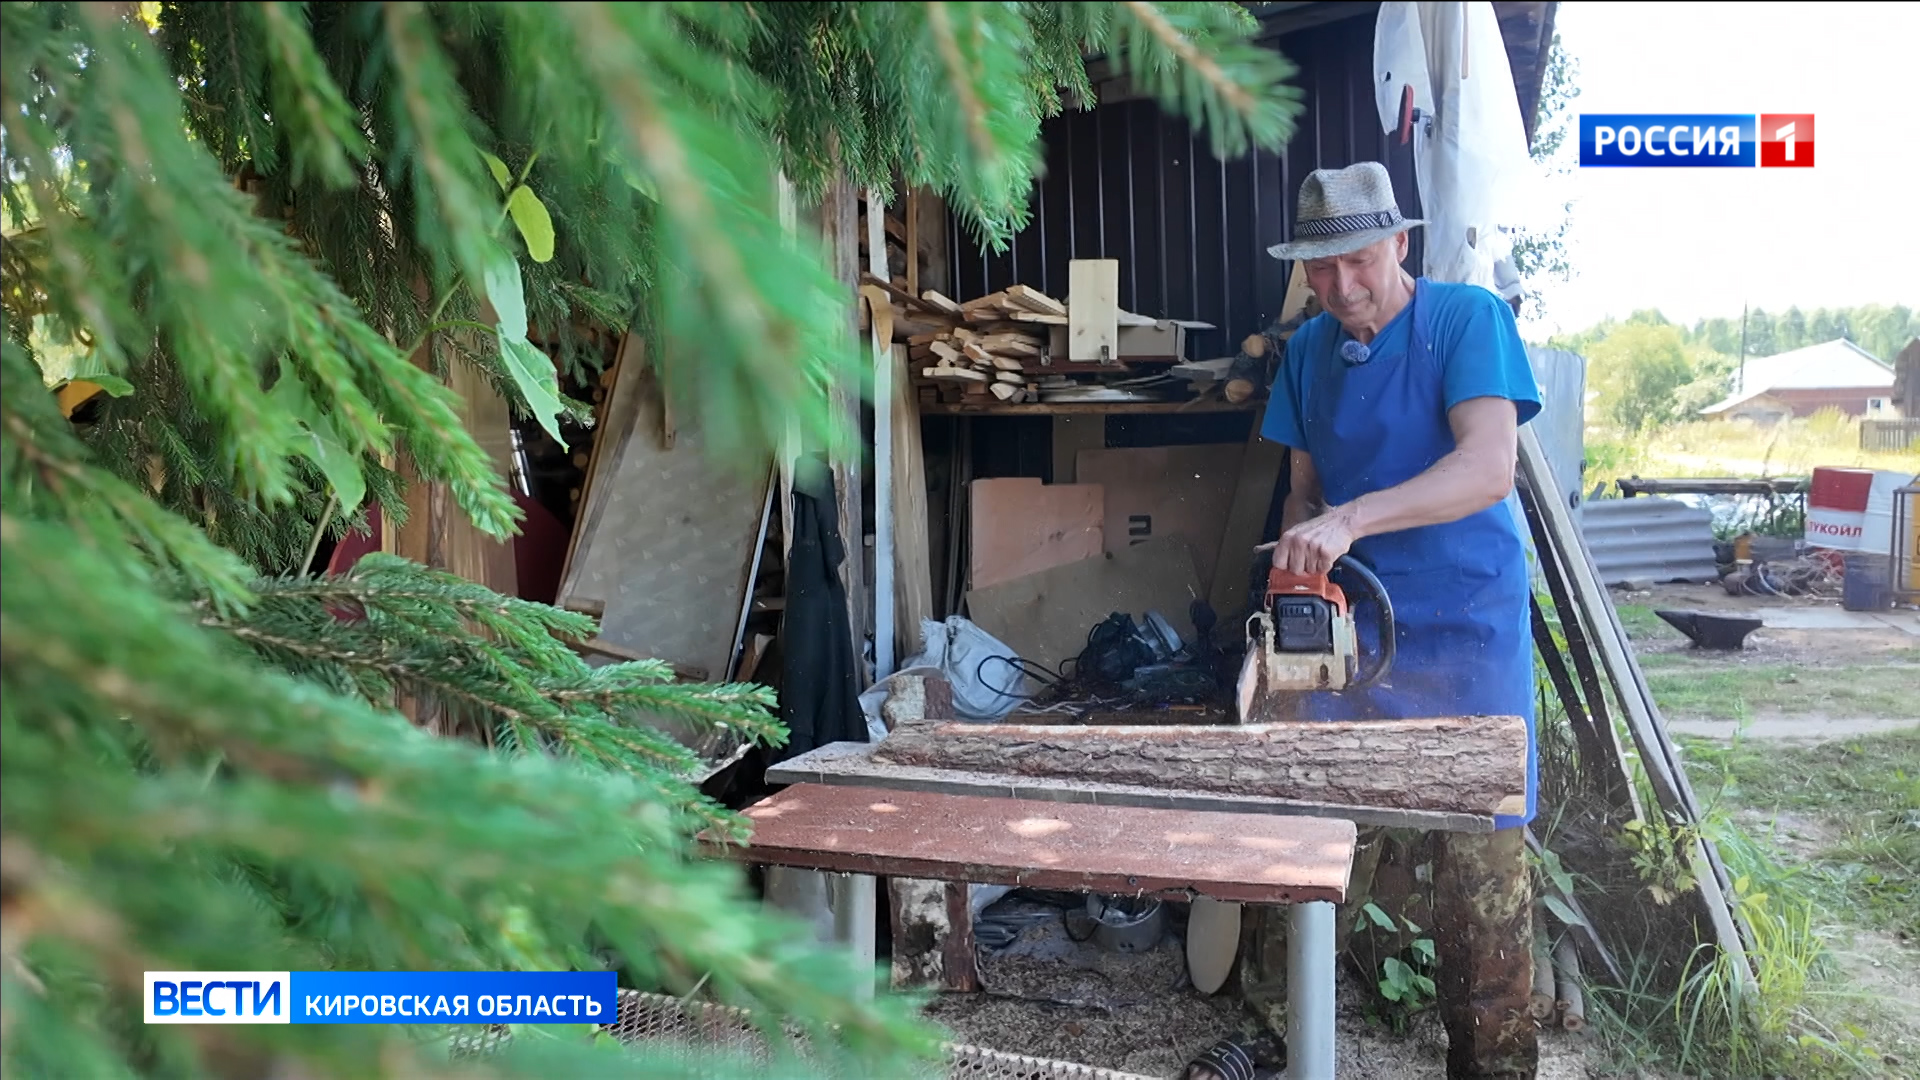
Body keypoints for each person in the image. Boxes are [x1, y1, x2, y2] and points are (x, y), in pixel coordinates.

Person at [1186, 161, 1543, 1080]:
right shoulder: (1306, 352)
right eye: (1320, 270)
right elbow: (1302, 493)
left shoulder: (1466, 320)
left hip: (1467, 628)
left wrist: (1352, 519)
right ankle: (1279, 1041)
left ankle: (1493, 1059)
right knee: (1305, 834)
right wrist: (1286, 601)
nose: (1341, 288)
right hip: (1354, 639)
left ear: (1399, 243)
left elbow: (1488, 467)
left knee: (1482, 864)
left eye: (1357, 262)